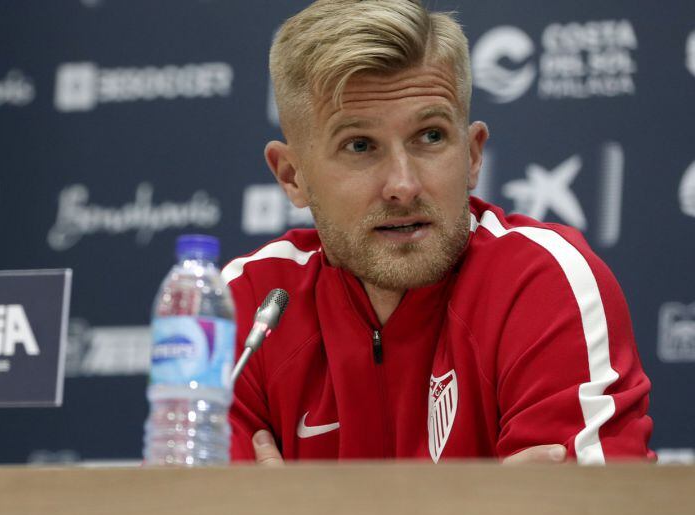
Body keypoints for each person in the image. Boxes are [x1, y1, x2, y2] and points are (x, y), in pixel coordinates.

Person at [223, 0, 653, 464]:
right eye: (359, 145)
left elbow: (585, 511)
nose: (403, 185)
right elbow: (187, 508)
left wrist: (288, 510)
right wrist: (489, 505)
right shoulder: (245, 305)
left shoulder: (544, 284)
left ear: (472, 155)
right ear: (292, 176)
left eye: (430, 136)